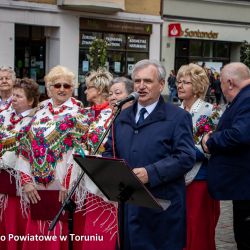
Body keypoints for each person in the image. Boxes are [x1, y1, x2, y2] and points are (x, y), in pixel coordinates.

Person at [103, 59, 196, 250]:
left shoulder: (178, 117)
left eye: (147, 81)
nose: (141, 86)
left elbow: (186, 156)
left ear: (161, 85)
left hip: (161, 209)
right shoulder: (121, 117)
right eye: (137, 81)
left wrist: (150, 173)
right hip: (129, 208)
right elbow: (110, 152)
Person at [16, 65, 88, 250]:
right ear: (48, 88)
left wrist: (68, 183)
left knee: (60, 236)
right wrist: (25, 181)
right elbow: (25, 148)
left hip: (63, 187)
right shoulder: (38, 114)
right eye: (57, 85)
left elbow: (80, 151)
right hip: (36, 187)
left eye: (67, 85)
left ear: (73, 88)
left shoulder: (78, 114)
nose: (62, 89)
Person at [202, 62, 250, 250]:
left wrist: (210, 140)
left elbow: (240, 134)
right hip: (242, 187)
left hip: (246, 187)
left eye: (221, 83)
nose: (221, 88)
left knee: (245, 237)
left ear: (230, 83)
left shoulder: (246, 99)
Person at [176, 63, 221, 250]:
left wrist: (181, 152)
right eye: (179, 81)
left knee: (198, 229)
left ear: (196, 87)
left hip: (200, 180)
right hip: (176, 178)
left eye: (185, 82)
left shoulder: (210, 111)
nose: (179, 85)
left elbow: (210, 148)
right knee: (180, 228)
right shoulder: (176, 110)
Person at [74, 68, 117, 250]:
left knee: (105, 227)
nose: (85, 91)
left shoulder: (114, 113)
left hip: (106, 179)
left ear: (99, 89)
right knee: (88, 227)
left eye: (88, 87)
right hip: (86, 179)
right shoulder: (85, 113)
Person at [0, 78, 40, 250]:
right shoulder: (5, 116)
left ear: (30, 101)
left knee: (20, 226)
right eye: (13, 95)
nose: (13, 99)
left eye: (19, 96)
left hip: (23, 183)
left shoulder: (36, 120)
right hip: (4, 182)